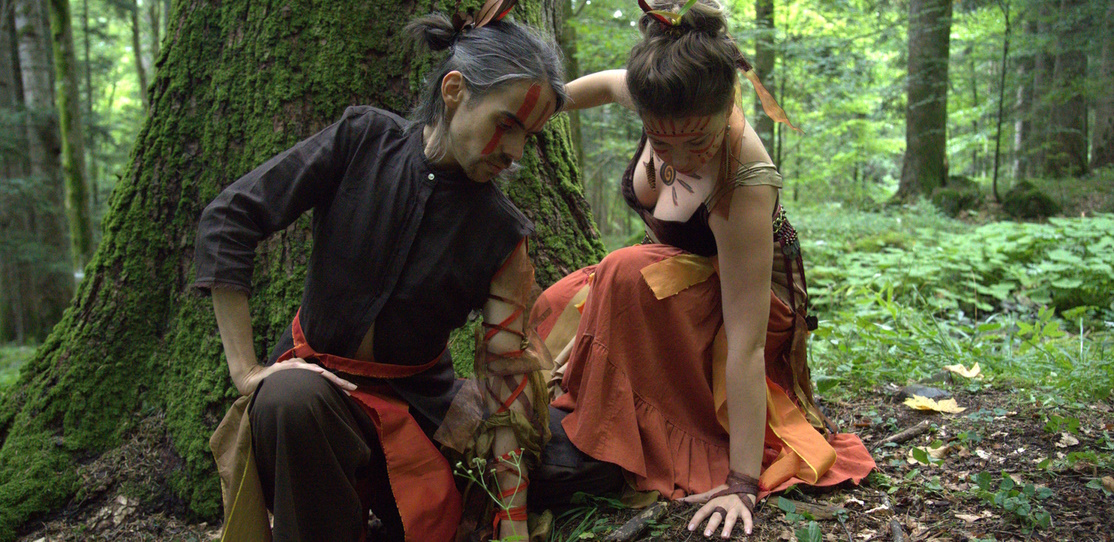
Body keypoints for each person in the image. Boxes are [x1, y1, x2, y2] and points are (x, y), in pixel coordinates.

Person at [195, 2, 564, 540]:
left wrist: (510, 524)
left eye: (528, 136)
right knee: (288, 400)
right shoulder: (361, 139)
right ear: (455, 90)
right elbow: (229, 218)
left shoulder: (503, 234)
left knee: (565, 462)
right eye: (506, 124)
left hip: (426, 416)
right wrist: (246, 371)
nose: (514, 152)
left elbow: (506, 382)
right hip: (318, 400)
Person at [528, 0, 875, 538]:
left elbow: (747, 345)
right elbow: (599, 87)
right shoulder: (661, 91)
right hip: (676, 280)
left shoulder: (746, 179)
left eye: (699, 140)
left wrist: (741, 481)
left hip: (743, 309)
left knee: (621, 271)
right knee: (558, 302)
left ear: (725, 105)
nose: (682, 156)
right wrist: (536, 106)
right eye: (663, 141)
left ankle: (621, 432)